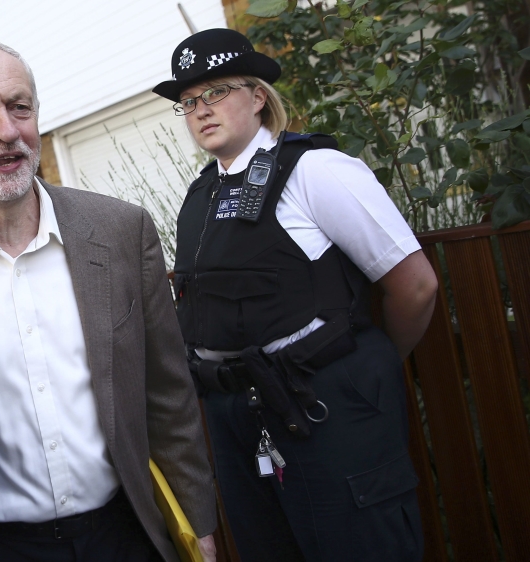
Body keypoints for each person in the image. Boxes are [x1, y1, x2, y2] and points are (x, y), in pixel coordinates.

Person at [0, 37, 218, 562]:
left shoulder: (122, 232)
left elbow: (168, 398)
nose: (7, 131)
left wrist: (199, 524)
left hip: (126, 534)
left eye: (19, 107)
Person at [154, 28, 438, 562]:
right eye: (189, 101)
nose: (201, 109)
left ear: (258, 97)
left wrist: (359, 368)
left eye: (216, 92)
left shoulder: (317, 171)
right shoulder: (201, 195)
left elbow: (415, 286)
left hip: (326, 411)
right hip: (242, 423)